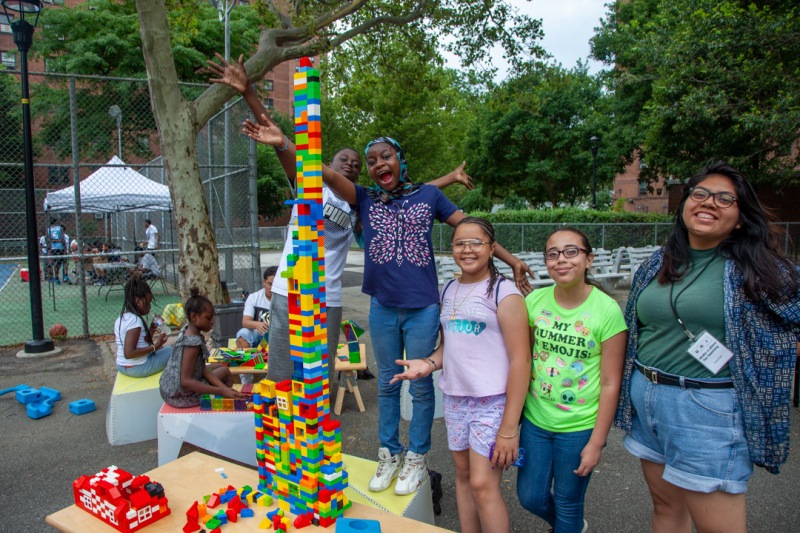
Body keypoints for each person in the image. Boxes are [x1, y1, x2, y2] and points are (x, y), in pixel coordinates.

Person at [243, 108, 535, 494]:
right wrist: (284, 143)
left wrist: (512, 260)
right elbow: (324, 174)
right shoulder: (364, 198)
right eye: (372, 160)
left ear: (400, 160)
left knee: (420, 386)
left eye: (386, 156)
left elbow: (472, 230)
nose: (379, 162)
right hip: (382, 307)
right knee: (385, 384)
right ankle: (388, 454)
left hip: (423, 307)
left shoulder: (429, 195)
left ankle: (417, 457)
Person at [207, 53, 475, 389]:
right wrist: (248, 92)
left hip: (328, 296)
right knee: (281, 373)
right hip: (289, 290)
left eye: (355, 164)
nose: (350, 164)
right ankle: (282, 432)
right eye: (343, 160)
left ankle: (314, 431)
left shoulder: (360, 201)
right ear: (327, 164)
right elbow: (278, 140)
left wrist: (448, 178)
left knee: (318, 378)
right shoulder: (311, 183)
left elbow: (413, 194)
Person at [615, 162, 800, 533]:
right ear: (684, 205)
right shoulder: (659, 261)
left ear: (740, 218)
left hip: (706, 409)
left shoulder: (758, 267)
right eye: (699, 194)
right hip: (648, 398)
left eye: (724, 198)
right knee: (666, 508)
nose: (708, 202)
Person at [391, 217, 530, 533]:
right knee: (464, 477)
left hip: (492, 403)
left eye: (476, 242)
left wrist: (509, 428)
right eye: (459, 243)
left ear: (492, 248)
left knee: (483, 483)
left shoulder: (504, 292)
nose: (467, 249)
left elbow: (521, 361)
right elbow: (448, 346)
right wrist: (426, 364)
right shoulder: (449, 289)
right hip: (455, 399)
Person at [518, 227, 627, 533]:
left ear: (589, 259)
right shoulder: (533, 302)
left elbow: (610, 382)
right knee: (530, 498)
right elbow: (523, 361)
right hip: (536, 421)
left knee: (567, 501)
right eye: (552, 254)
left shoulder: (607, 311)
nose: (561, 260)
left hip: (579, 427)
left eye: (571, 252)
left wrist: (597, 442)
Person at [160, 287, 245, 408]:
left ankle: (230, 395)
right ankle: (231, 406)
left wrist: (223, 389)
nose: (212, 321)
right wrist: (221, 390)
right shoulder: (192, 344)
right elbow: (186, 382)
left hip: (169, 388)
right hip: (179, 396)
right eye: (208, 318)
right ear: (194, 317)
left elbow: (202, 369)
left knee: (220, 366)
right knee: (225, 372)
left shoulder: (187, 331)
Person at [113, 275, 173, 378]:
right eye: (148, 302)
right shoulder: (135, 321)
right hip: (137, 368)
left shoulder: (123, 318)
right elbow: (129, 353)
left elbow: (142, 341)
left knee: (162, 349)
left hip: (122, 365)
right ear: (138, 301)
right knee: (173, 350)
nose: (150, 306)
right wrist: (156, 346)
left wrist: (153, 328)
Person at [235, 266, 277, 350]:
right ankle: (247, 361)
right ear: (264, 282)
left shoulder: (285, 299)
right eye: (269, 284)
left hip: (278, 335)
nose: (272, 288)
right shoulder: (254, 297)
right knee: (242, 335)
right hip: (259, 333)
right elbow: (245, 322)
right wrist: (258, 324)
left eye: (276, 285)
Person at [46, 218, 68, 283]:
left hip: (53, 247)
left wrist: (53, 241)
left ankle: (56, 277)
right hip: (60, 247)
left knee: (54, 263)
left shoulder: (48, 229)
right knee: (59, 263)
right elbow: (62, 239)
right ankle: (57, 276)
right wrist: (64, 247)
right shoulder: (60, 228)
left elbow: (48, 239)